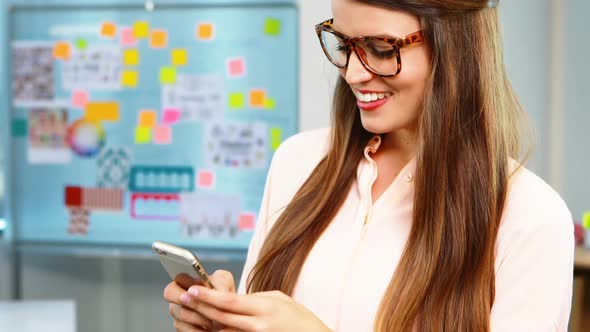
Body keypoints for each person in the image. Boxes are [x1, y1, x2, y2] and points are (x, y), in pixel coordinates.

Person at [163, 0, 574, 330]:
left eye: (381, 49)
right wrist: (224, 320)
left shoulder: (530, 217)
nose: (354, 73)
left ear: (456, 48)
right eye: (344, 45)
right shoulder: (297, 162)